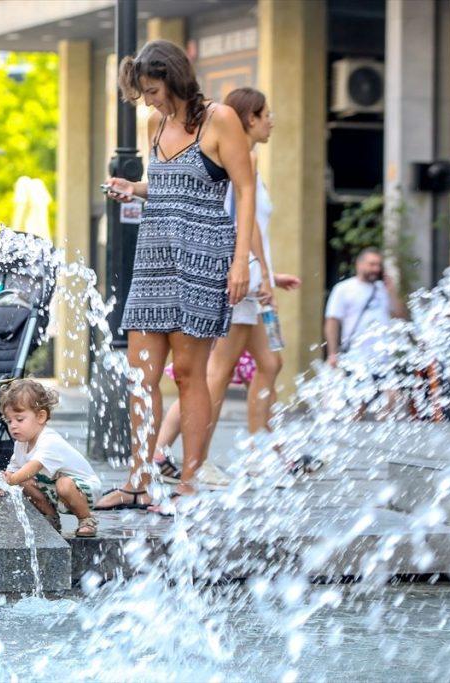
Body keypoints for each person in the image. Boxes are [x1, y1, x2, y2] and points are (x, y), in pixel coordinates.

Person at [94, 39, 254, 509]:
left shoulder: (219, 119)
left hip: (203, 257)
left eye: (152, 89)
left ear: (174, 77)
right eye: (143, 92)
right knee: (139, 375)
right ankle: (138, 481)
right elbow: (167, 184)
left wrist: (241, 261)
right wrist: (135, 187)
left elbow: (244, 191)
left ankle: (188, 481)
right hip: (153, 258)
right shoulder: (154, 122)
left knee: (187, 373)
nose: (148, 100)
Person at [152, 87, 303, 490]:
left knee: (269, 364)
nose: (272, 121)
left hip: (250, 278)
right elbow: (245, 223)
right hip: (239, 281)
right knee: (213, 373)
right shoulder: (245, 159)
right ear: (249, 118)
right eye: (266, 114)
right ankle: (180, 456)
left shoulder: (248, 160)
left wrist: (271, 273)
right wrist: (261, 275)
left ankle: (258, 451)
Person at [0, 379, 102, 538]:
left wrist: (11, 479)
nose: (13, 425)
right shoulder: (21, 444)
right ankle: (51, 518)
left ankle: (86, 519)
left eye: (19, 419)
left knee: (64, 483)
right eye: (9, 420)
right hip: (56, 490)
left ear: (41, 417)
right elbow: (12, 471)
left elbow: (33, 467)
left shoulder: (50, 441)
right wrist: (0, 484)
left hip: (84, 490)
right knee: (23, 480)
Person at [324, 247, 408, 417]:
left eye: (378, 265)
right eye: (371, 264)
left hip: (383, 359)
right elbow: (332, 321)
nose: (375, 269)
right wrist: (332, 353)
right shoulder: (344, 288)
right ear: (359, 264)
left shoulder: (383, 289)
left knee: (392, 402)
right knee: (356, 407)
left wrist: (391, 291)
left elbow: (401, 316)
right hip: (356, 358)